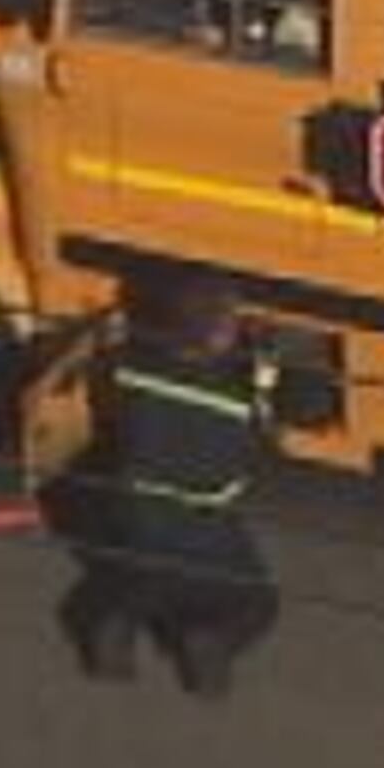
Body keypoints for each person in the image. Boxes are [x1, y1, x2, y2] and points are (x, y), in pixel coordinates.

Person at [48, 267, 285, 700]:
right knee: (260, 603)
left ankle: (114, 622)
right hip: (204, 533)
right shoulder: (235, 406)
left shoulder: (127, 373)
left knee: (139, 576)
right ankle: (207, 641)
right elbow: (252, 459)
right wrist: (262, 382)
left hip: (127, 515)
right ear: (219, 339)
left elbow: (92, 394)